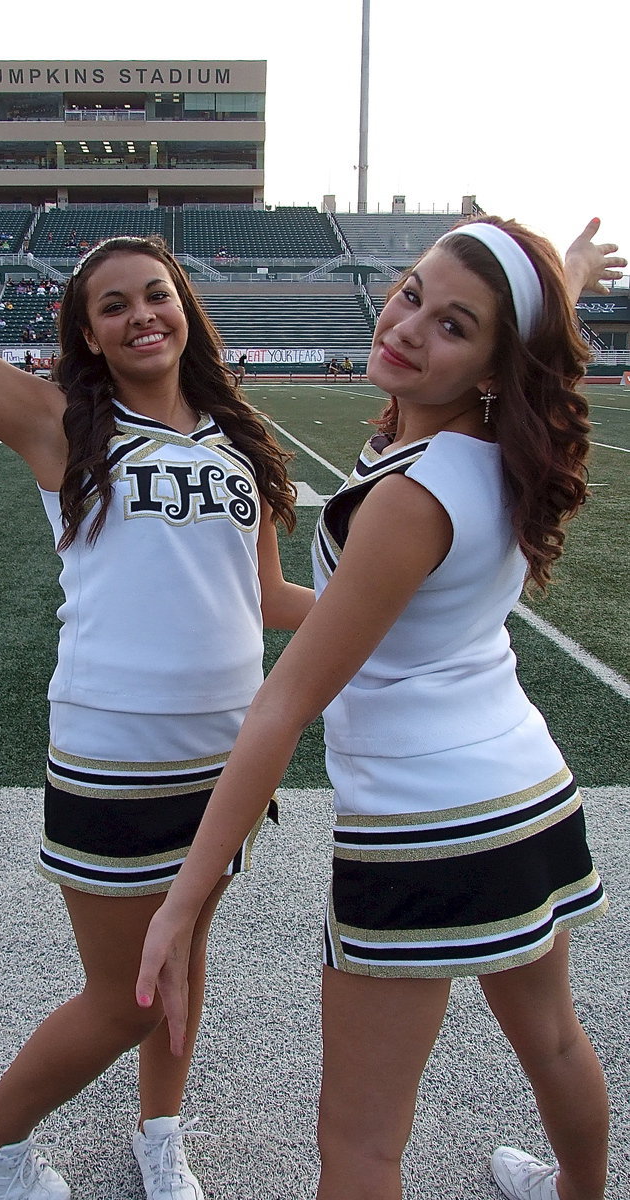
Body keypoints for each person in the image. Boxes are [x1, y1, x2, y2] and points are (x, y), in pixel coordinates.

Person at [136, 218, 626, 1200]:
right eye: (411, 292)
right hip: (527, 798)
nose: (406, 326)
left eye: (452, 325)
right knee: (556, 1043)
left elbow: (285, 706)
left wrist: (181, 902)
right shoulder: (491, 447)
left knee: (360, 1148)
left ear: (493, 363)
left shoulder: (410, 498)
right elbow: (380, 622)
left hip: (422, 831)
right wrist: (561, 274)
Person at [0, 234, 313, 1200]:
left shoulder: (240, 438)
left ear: (185, 308)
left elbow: (263, 599)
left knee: (189, 951)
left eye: (157, 294)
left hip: (228, 754)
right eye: (113, 305)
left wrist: (393, 612)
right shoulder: (61, 426)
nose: (142, 314)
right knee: (125, 994)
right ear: (87, 335)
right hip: (114, 752)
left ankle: (160, 1131)